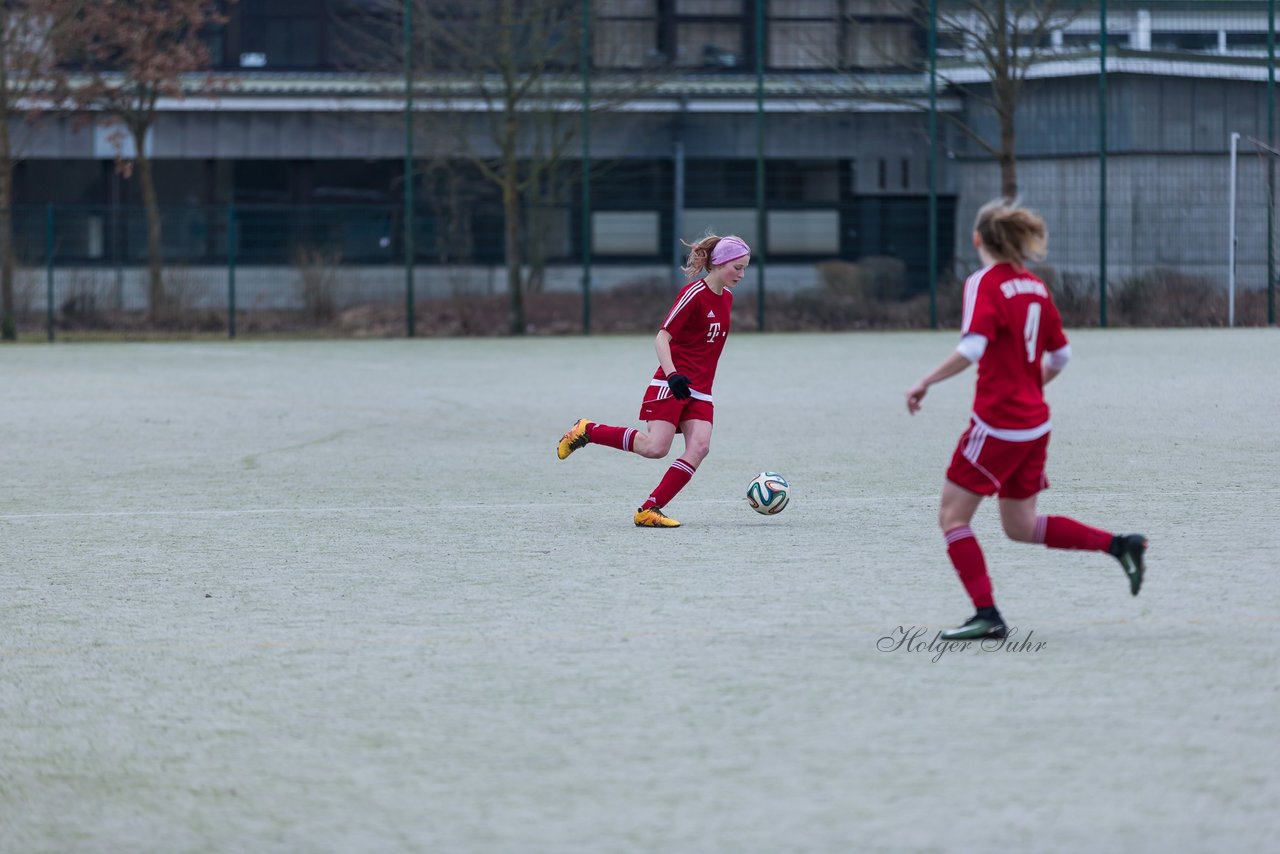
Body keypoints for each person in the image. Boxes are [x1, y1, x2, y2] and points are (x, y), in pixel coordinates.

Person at [905, 198, 1148, 640]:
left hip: (998, 424)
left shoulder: (984, 282)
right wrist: (1030, 387)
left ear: (978, 239)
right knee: (1020, 526)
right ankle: (1120, 545)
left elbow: (973, 348)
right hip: (1035, 424)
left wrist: (926, 380)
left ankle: (987, 615)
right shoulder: (1035, 286)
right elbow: (1062, 355)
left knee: (953, 518)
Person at [556, 234, 751, 528]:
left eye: (745, 268)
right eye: (737, 267)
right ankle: (587, 430)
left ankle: (650, 509)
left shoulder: (727, 299)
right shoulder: (693, 294)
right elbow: (662, 337)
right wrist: (672, 375)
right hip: (673, 383)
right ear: (719, 263)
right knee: (655, 448)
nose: (742, 274)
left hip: (701, 391)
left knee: (700, 447)